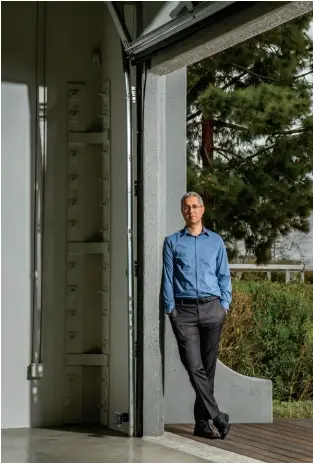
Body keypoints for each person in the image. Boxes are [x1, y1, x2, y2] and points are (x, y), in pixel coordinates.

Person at [162, 192, 232, 440]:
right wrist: (171, 310)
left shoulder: (215, 241)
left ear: (202, 210)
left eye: (195, 206)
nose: (190, 210)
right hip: (185, 312)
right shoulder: (172, 242)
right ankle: (217, 416)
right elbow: (168, 279)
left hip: (213, 309)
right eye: (186, 207)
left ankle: (202, 424)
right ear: (182, 212)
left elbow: (224, 275)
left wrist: (224, 305)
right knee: (194, 367)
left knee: (208, 369)